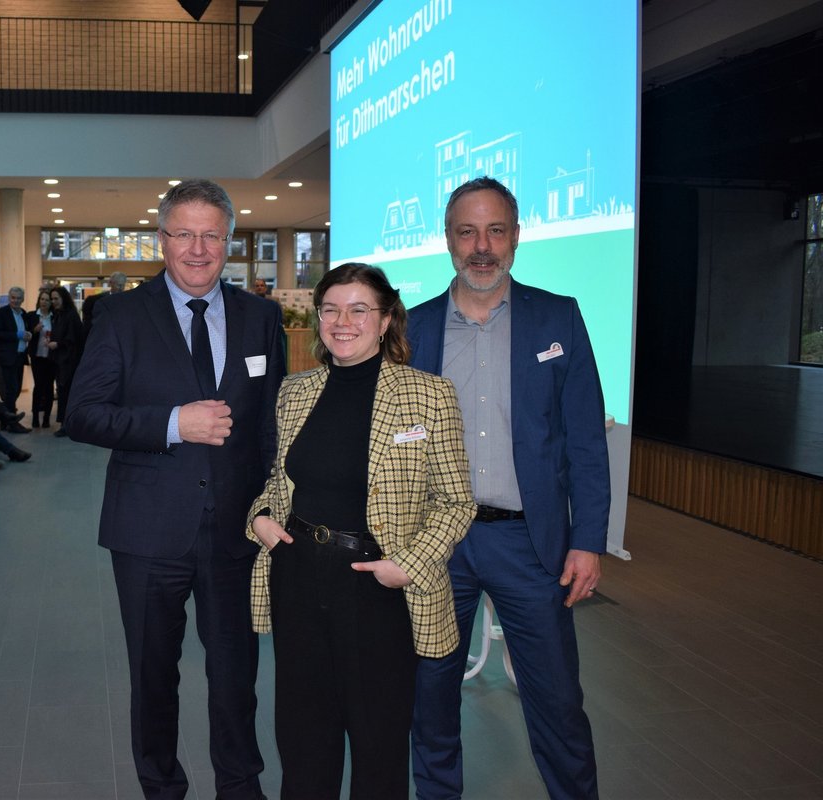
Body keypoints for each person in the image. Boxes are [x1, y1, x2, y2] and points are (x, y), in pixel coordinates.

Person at [65, 178, 285, 800]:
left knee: (236, 676)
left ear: (229, 242)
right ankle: (162, 788)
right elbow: (83, 413)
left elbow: (272, 425)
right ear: (161, 240)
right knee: (153, 677)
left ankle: (240, 786)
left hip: (238, 532)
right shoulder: (120, 317)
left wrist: (272, 505)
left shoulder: (262, 318)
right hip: (147, 530)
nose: (197, 249)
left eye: (210, 235)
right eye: (183, 234)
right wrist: (171, 423)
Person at [407, 176, 610, 800]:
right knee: (431, 694)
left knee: (557, 701)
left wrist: (588, 541)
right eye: (467, 232)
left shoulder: (559, 318)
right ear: (447, 240)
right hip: (436, 546)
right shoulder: (410, 331)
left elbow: (584, 441)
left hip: (529, 544)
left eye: (496, 230)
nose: (482, 246)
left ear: (516, 237)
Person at [247, 263, 475, 799]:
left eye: (358, 310)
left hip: (379, 585)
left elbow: (456, 502)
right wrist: (258, 517)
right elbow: (280, 481)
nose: (341, 321)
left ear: (386, 318)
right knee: (303, 737)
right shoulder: (295, 392)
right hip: (299, 576)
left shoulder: (429, 396)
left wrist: (408, 567)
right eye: (330, 309)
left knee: (378, 742)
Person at [0, 286, 33, 424]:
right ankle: (10, 421)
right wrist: (16, 335)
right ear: (9, 298)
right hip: (7, 357)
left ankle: (7, 419)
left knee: (17, 388)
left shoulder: (23, 313)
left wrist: (29, 334)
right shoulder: (2, 313)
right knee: (10, 389)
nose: (15, 301)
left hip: (20, 356)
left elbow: (26, 330)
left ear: (23, 299)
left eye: (18, 298)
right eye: (13, 298)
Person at [47, 285, 83, 438]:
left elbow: (73, 340)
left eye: (56, 299)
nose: (53, 302)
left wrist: (57, 344)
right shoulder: (60, 314)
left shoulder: (69, 316)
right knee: (63, 393)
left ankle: (66, 424)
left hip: (69, 362)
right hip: (62, 361)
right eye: (52, 299)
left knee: (66, 393)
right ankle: (66, 423)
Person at [27, 288, 56, 429]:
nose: (44, 302)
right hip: (37, 356)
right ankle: (35, 418)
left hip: (50, 357)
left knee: (49, 387)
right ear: (39, 301)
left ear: (51, 303)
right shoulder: (32, 316)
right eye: (42, 299)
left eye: (47, 300)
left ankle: (46, 419)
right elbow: (26, 334)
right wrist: (34, 330)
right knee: (38, 386)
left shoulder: (54, 317)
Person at [80, 270, 127, 343]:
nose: (120, 288)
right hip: (100, 338)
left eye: (122, 285)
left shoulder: (127, 302)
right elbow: (88, 323)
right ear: (110, 283)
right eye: (118, 285)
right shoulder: (94, 301)